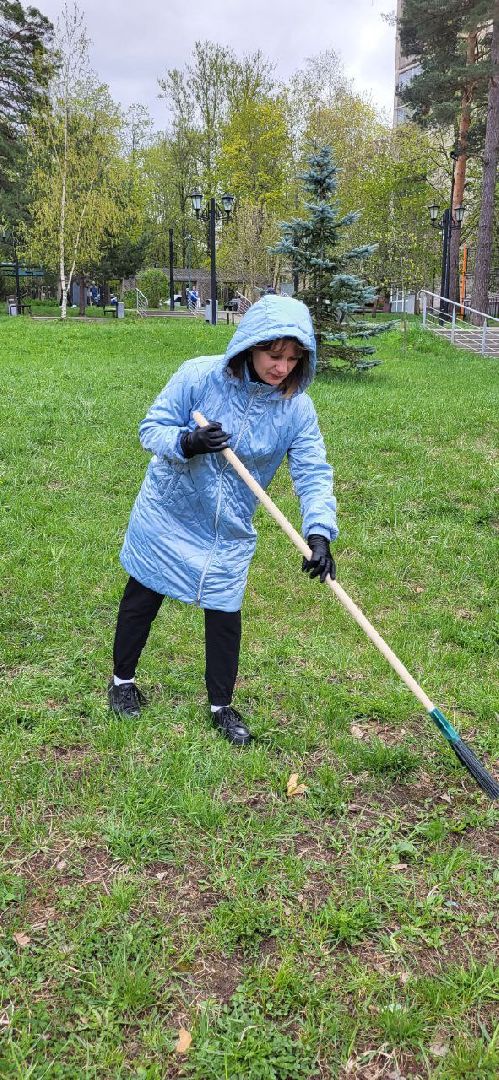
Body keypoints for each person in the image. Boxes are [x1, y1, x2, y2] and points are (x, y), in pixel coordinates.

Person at [109, 295, 338, 745]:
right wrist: (188, 441)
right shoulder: (199, 375)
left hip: (228, 525)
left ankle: (221, 707)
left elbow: (312, 471)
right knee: (143, 595)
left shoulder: (297, 408)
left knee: (225, 610)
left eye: (293, 359)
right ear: (250, 346)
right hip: (170, 510)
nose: (283, 368)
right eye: (275, 355)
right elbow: (151, 427)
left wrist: (319, 533)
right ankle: (122, 683)